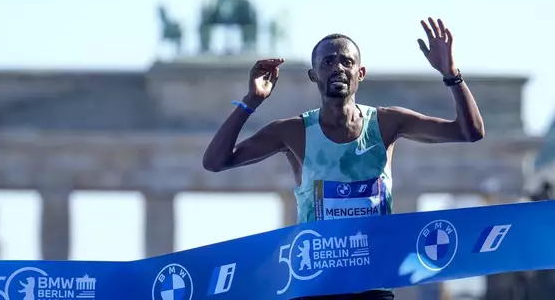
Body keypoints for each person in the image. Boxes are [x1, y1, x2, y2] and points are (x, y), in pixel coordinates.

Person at [202, 18, 485, 300]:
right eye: (327, 62)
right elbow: (215, 161)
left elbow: (469, 131)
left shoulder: (387, 123)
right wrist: (251, 101)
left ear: (360, 73)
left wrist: (452, 74)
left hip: (373, 285)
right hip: (317, 287)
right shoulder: (293, 132)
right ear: (314, 75)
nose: (337, 67)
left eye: (346, 62)